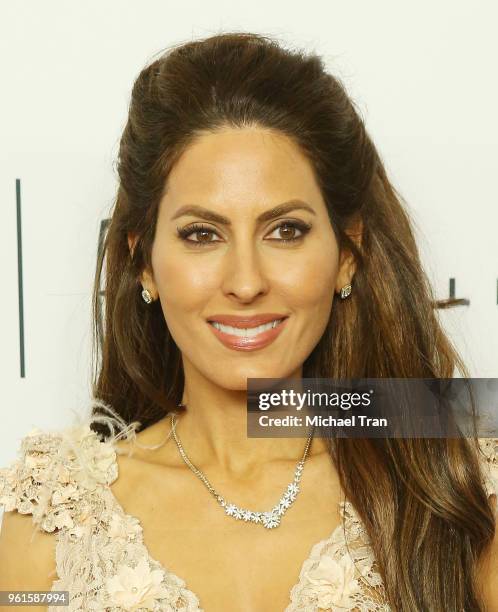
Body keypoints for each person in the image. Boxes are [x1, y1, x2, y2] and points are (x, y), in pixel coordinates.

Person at [0, 31, 497, 612]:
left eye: (285, 230)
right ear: (145, 264)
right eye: (201, 234)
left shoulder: (453, 488)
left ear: (347, 253)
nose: (245, 281)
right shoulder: (51, 524)